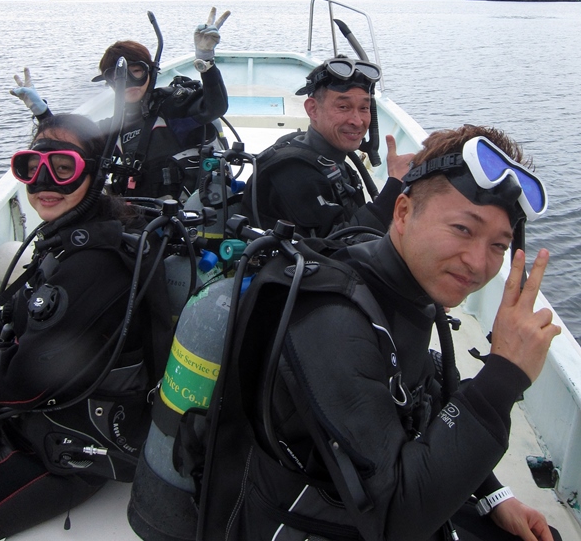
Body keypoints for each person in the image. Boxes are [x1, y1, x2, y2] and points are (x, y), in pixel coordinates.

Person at [211, 124, 562, 541]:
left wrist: (494, 495)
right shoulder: (331, 321)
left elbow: (424, 398)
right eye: (463, 229)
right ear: (402, 212)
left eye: (498, 246)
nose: (477, 263)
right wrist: (503, 375)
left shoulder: (405, 286)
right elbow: (395, 521)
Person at [0, 113, 172, 540]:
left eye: (63, 168)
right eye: (32, 167)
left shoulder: (94, 264)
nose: (45, 183)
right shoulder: (79, 233)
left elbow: (23, 383)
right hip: (36, 417)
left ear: (95, 171)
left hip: (62, 448)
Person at [10, 8, 230, 201]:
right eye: (120, 77)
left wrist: (206, 61)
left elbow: (215, 107)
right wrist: (41, 113)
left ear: (151, 72)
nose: (130, 83)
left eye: (137, 72)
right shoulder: (115, 125)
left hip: (187, 213)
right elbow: (69, 141)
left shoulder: (174, 107)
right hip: (139, 215)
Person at [241, 56, 414, 236]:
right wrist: (395, 184)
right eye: (343, 107)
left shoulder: (331, 157)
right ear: (313, 109)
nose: (357, 121)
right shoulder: (294, 174)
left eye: (364, 108)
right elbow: (338, 249)